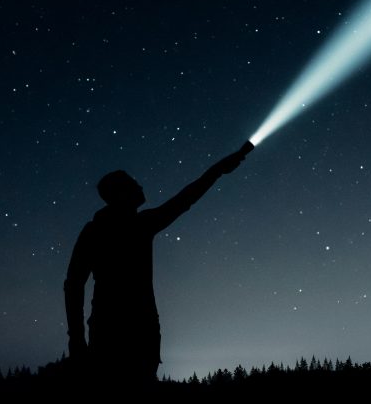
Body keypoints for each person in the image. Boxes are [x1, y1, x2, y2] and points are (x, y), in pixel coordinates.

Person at [64, 146, 249, 385]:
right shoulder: (127, 227)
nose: (140, 187)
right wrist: (77, 341)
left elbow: (73, 285)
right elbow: (74, 284)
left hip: (126, 331)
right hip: (124, 332)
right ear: (120, 193)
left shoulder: (121, 226)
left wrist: (77, 341)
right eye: (133, 184)